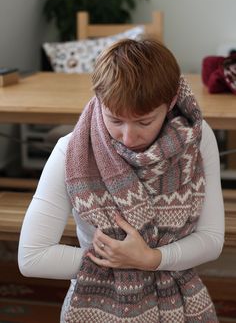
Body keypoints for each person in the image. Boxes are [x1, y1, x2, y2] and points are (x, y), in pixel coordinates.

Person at [18, 38, 224, 322]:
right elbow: (32, 257)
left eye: (144, 122)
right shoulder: (73, 150)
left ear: (172, 101)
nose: (128, 137)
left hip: (178, 301)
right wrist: (120, 260)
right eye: (115, 120)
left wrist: (151, 259)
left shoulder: (196, 140)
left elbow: (212, 240)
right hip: (95, 303)